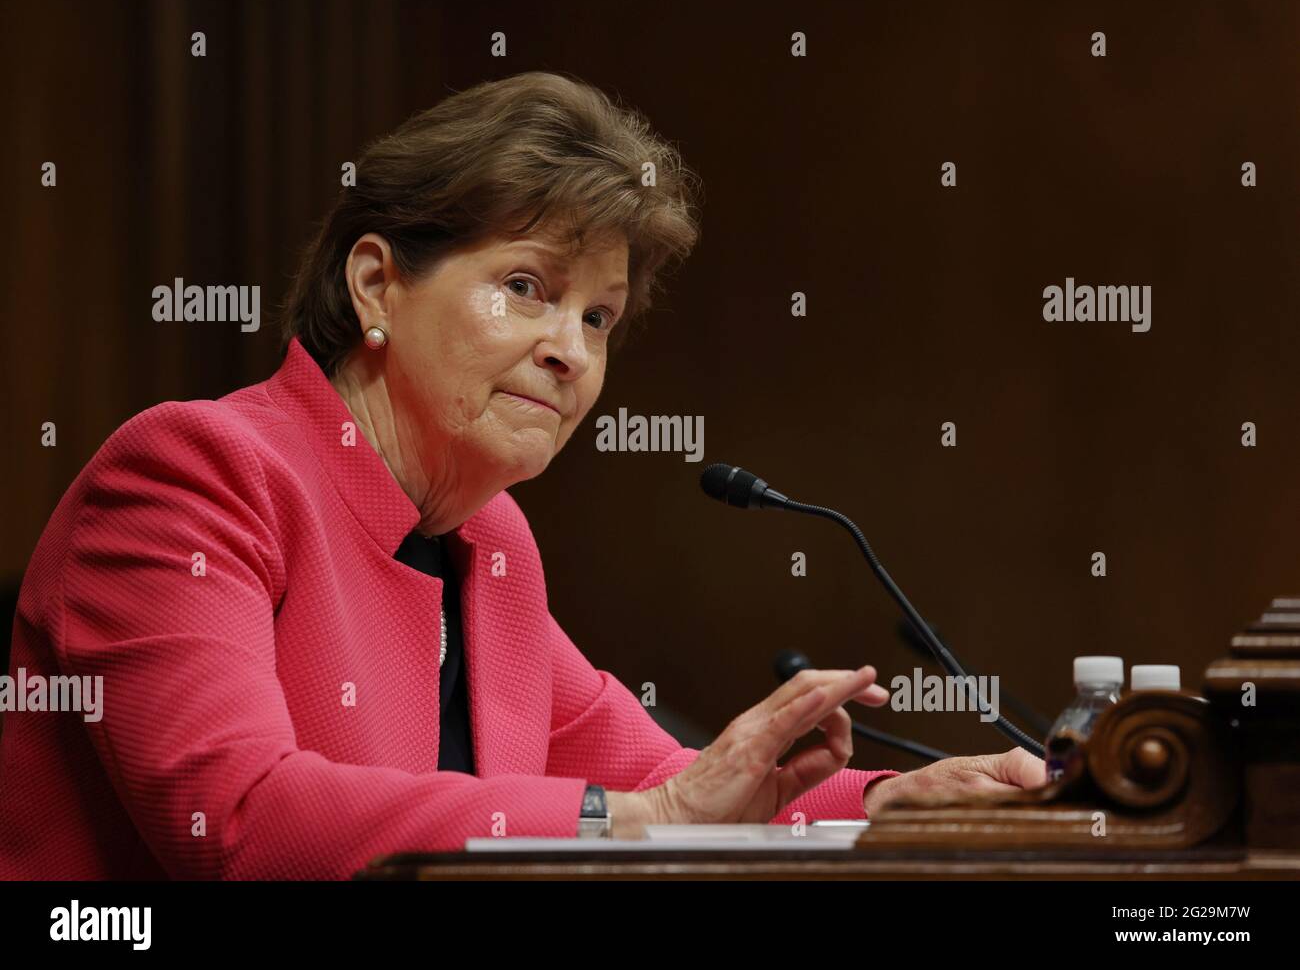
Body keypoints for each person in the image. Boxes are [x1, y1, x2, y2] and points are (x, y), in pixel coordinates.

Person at [0, 71, 1043, 879]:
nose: (570, 349)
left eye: (597, 314)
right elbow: (237, 823)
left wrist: (897, 804)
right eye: (526, 286)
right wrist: (643, 821)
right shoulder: (197, 473)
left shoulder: (485, 538)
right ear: (376, 284)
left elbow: (679, 788)